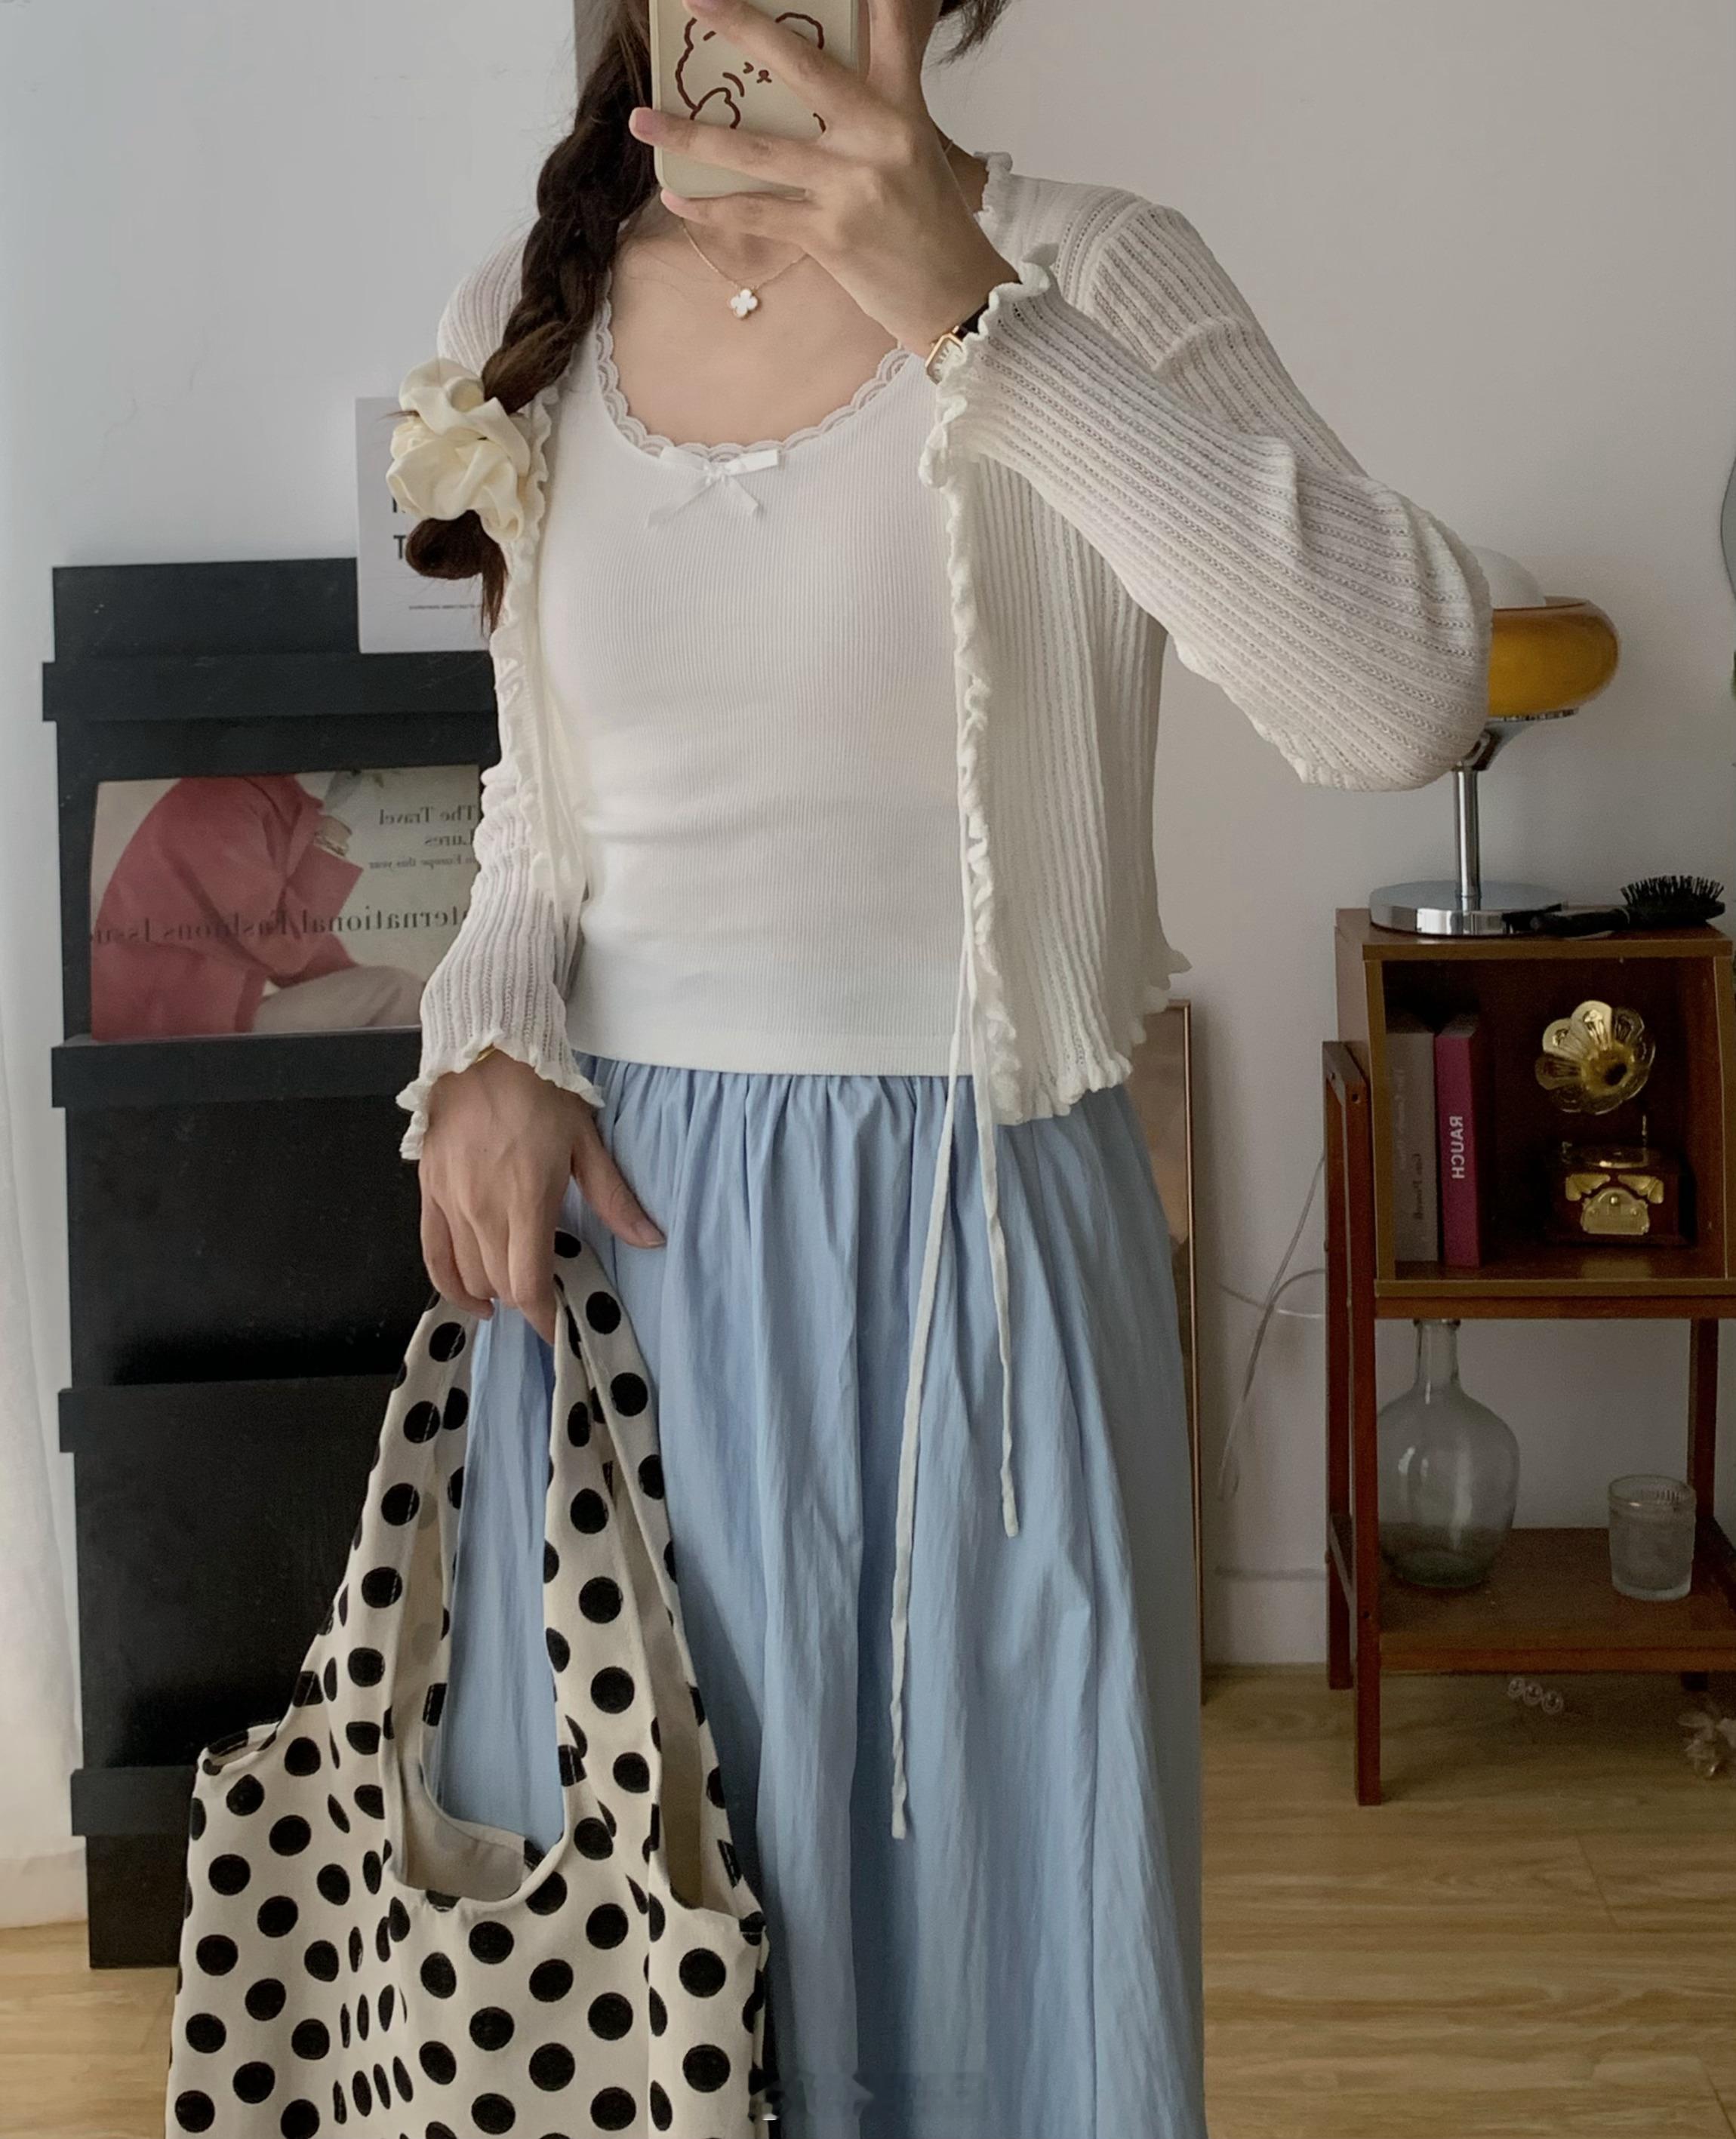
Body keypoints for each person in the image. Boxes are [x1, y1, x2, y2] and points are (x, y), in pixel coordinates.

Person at [385, 2, 1493, 2131]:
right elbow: (541, 821)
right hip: (622, 1293)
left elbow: (1405, 696)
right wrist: (491, 1036)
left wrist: (974, 312)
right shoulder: (522, 309)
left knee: (995, 1982)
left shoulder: (1090, 265)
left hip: (981, 1275)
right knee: (620, 2004)